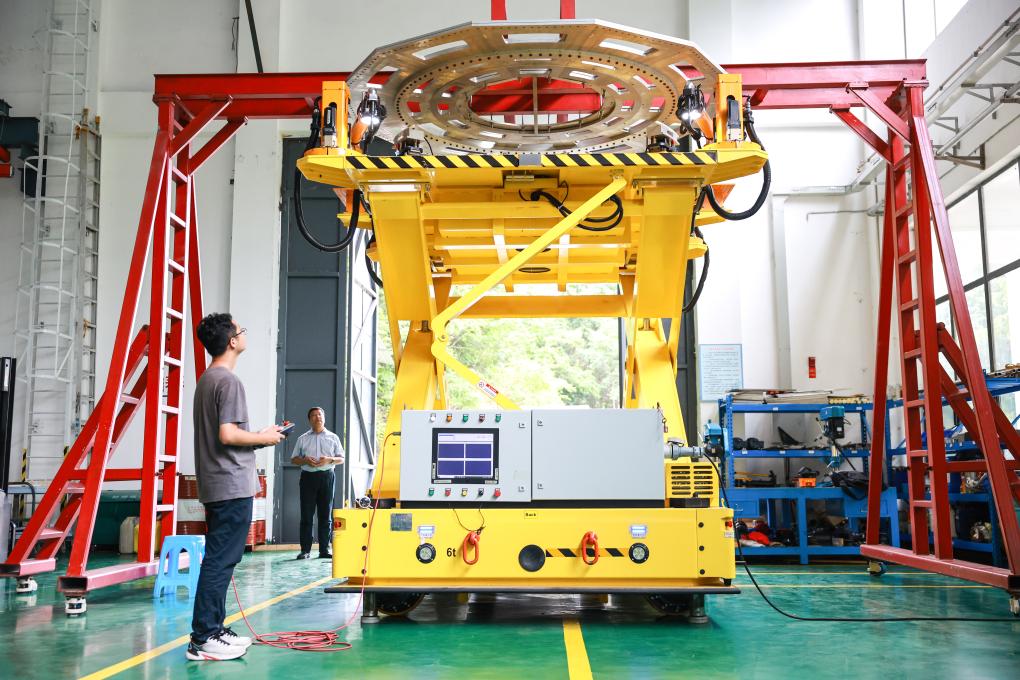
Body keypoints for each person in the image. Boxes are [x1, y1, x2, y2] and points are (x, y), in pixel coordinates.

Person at [187, 313, 285, 662]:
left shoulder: (208, 379)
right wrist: (263, 438)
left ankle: (214, 628)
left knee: (222, 560)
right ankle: (204, 637)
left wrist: (259, 436)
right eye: (241, 330)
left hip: (219, 483)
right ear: (232, 341)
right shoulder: (228, 381)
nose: (244, 334)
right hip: (230, 484)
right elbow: (228, 435)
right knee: (220, 561)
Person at [290, 406, 344, 560]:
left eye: (320, 414)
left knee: (325, 515)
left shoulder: (333, 437)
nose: (317, 417)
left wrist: (329, 459)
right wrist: (305, 460)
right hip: (308, 478)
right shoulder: (302, 439)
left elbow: (341, 458)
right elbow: (294, 459)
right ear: (309, 420)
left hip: (327, 477)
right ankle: (305, 550)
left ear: (324, 418)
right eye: (314, 415)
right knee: (306, 515)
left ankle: (324, 550)